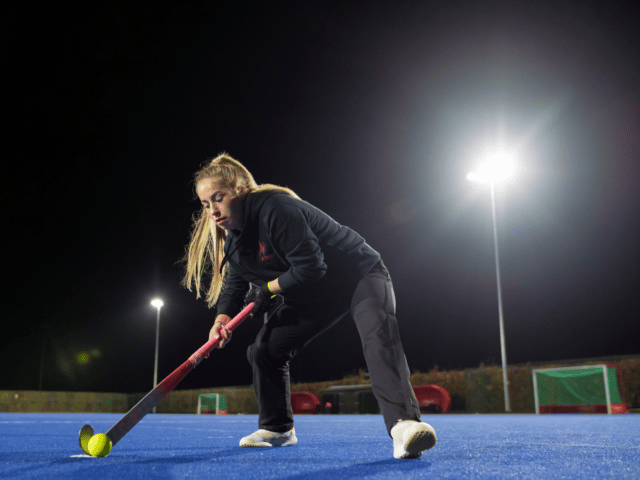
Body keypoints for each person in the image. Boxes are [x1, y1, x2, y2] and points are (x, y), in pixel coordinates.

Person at [182, 153, 437, 459]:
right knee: (264, 351)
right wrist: (221, 319)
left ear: (240, 190)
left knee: (377, 336)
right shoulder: (234, 241)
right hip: (313, 296)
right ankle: (278, 430)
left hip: (357, 275)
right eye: (205, 204)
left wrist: (269, 289)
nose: (212, 210)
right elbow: (234, 285)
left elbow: (311, 267)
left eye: (218, 198)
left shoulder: (276, 209)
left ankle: (404, 425)